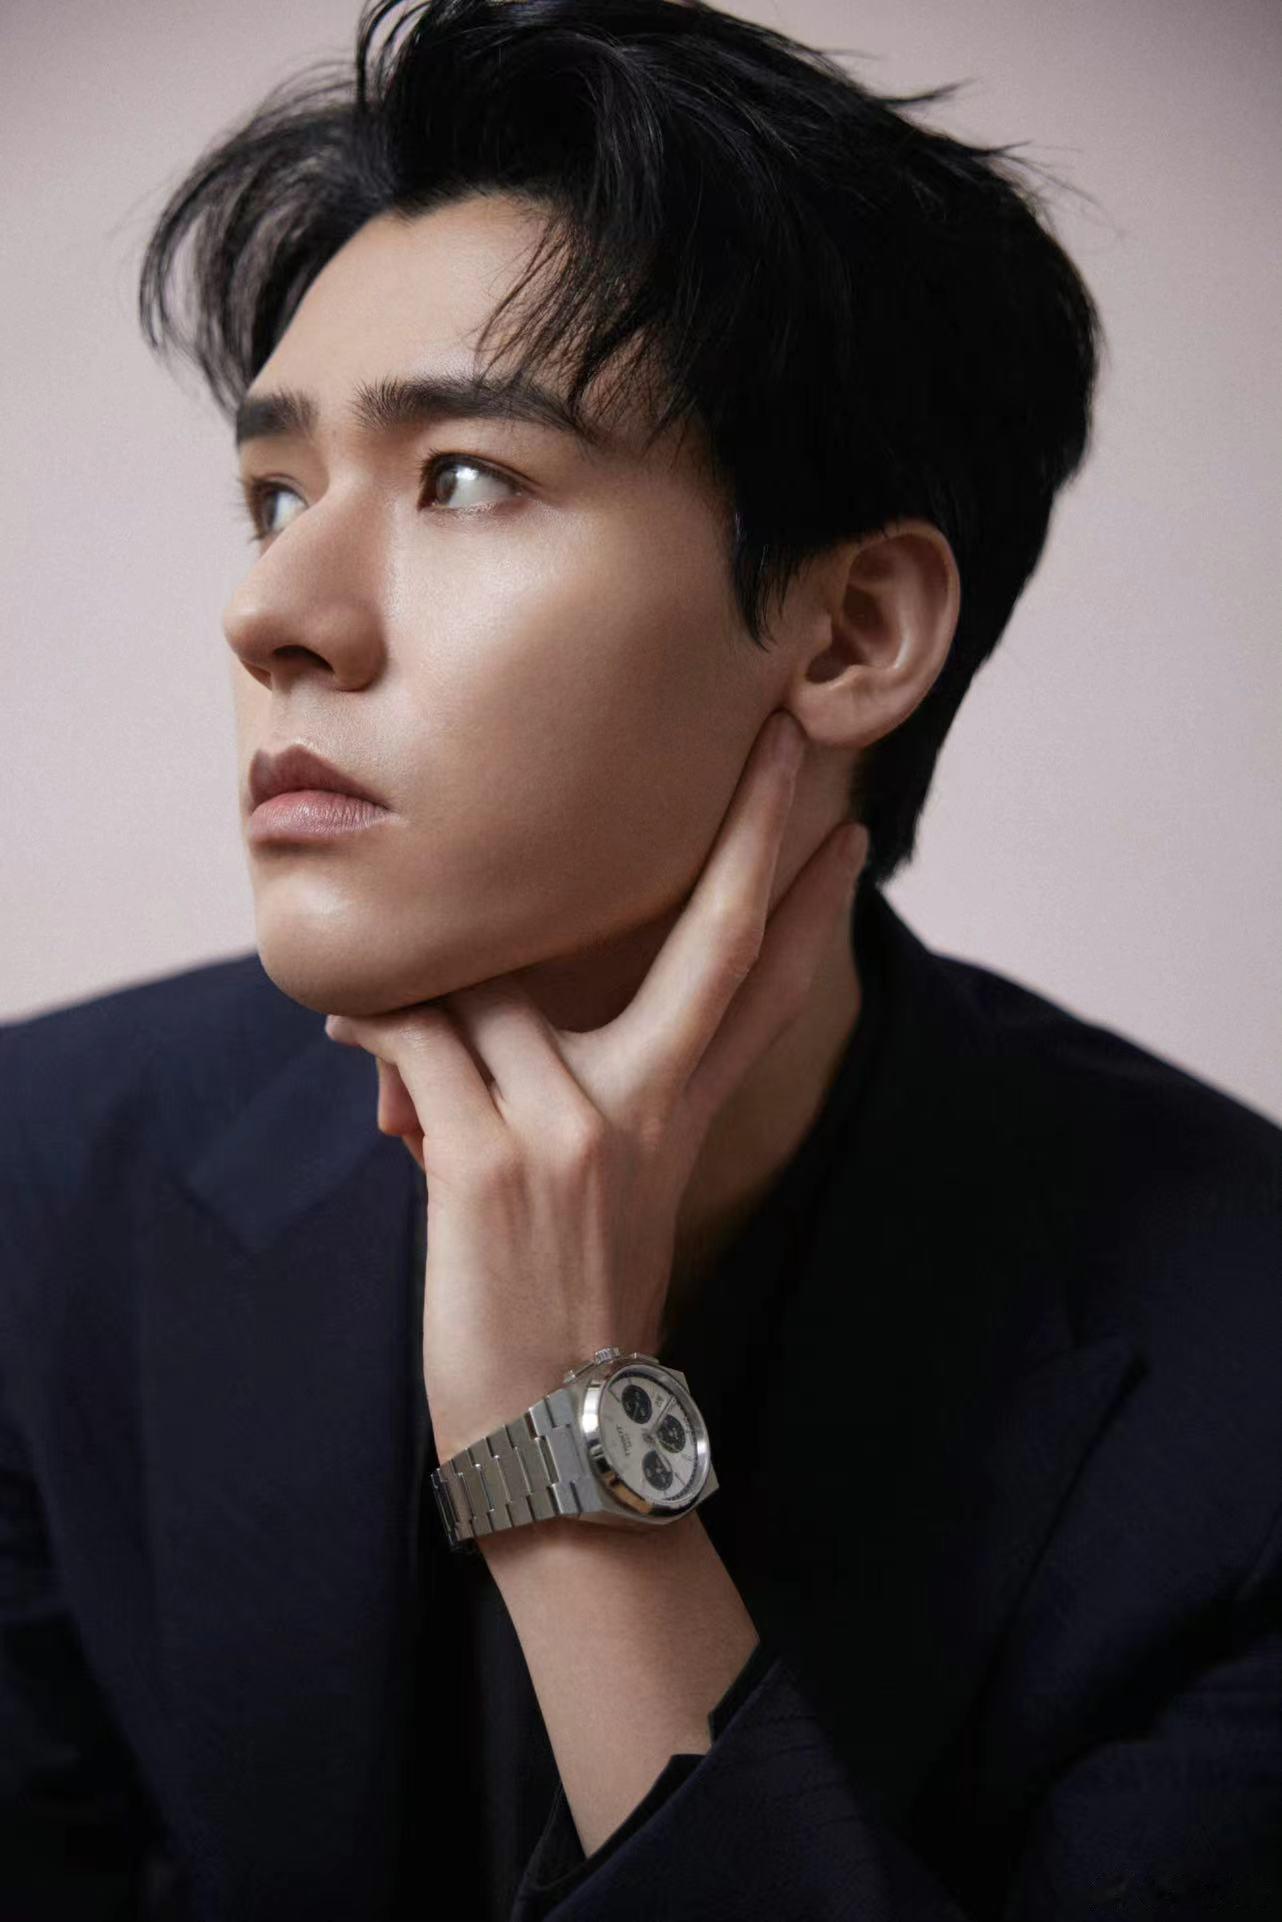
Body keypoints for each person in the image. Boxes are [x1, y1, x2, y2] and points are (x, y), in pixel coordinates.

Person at [2, 1, 1278, 1917]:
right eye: (276, 493)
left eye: (462, 478)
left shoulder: (1240, 1376)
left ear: (851, 629)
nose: (271, 611)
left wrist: (569, 1458)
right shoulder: (40, 1183)